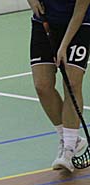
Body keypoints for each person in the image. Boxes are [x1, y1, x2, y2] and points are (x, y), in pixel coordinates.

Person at [28, 0, 90, 172]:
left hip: (79, 25)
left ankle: (68, 148)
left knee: (71, 82)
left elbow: (79, 13)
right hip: (44, 22)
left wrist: (63, 47)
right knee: (42, 86)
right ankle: (72, 139)